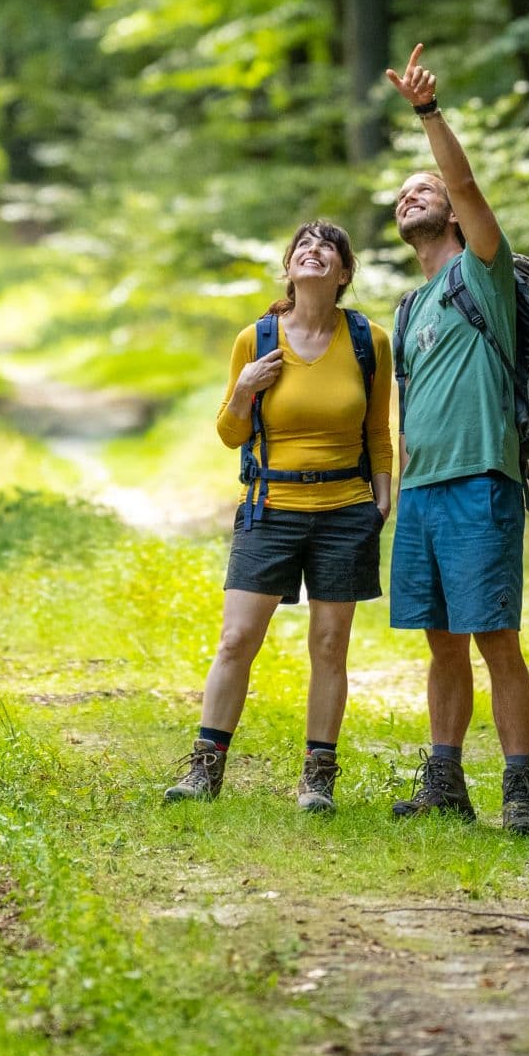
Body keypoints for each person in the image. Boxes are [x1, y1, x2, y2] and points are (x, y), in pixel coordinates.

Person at [162, 218, 396, 813]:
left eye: (328, 249)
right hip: (269, 506)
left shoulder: (371, 340)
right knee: (237, 637)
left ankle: (317, 779)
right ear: (289, 268)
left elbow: (376, 431)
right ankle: (204, 770)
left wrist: (383, 493)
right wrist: (243, 388)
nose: (313, 253)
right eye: (303, 247)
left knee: (329, 645)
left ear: (342, 274)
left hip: (345, 510)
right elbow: (228, 432)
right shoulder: (257, 338)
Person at [381, 43, 529, 835]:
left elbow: (469, 183)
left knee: (494, 639)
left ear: (449, 210)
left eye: (426, 189)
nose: (414, 196)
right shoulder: (410, 309)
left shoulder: (484, 271)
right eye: (404, 194)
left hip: (483, 479)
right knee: (441, 645)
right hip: (422, 494)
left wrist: (427, 115)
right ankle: (445, 782)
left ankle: (519, 789)